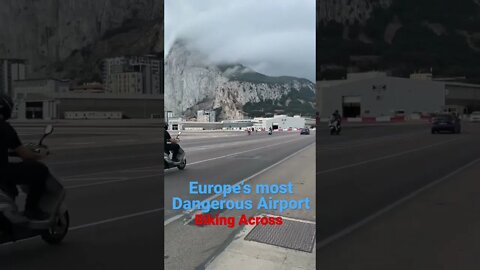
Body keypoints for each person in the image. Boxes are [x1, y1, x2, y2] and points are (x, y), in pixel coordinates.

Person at [0, 94, 49, 220]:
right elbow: (25, 153)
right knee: (40, 170)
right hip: (2, 172)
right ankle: (31, 209)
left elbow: (12, 148)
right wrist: (39, 154)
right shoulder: (5, 128)